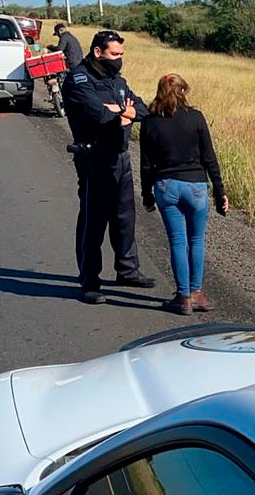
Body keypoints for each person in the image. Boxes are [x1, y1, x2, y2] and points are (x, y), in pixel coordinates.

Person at [63, 30, 156, 304]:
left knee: (124, 217)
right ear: (98, 52)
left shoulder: (117, 80)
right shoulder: (79, 79)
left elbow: (142, 109)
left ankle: (127, 270)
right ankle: (90, 280)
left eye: (121, 55)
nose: (119, 60)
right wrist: (120, 112)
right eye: (115, 54)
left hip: (120, 156)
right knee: (94, 221)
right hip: (94, 159)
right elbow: (98, 114)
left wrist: (121, 112)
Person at [139, 73, 228, 314]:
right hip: (195, 186)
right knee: (196, 241)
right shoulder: (196, 118)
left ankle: (183, 297)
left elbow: (146, 164)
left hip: (166, 186)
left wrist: (146, 194)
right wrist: (220, 193)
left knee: (177, 242)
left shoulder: (149, 121)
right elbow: (209, 158)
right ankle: (197, 292)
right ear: (183, 92)